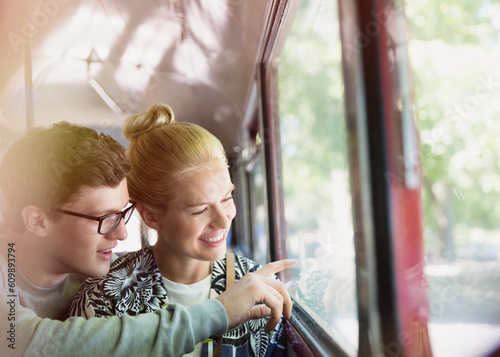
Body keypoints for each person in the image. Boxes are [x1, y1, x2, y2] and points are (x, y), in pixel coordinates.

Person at [0, 121, 295, 356]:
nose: (123, 233)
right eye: (105, 219)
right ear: (37, 221)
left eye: (122, 213)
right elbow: (32, 344)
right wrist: (220, 311)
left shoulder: (96, 271)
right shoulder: (102, 292)